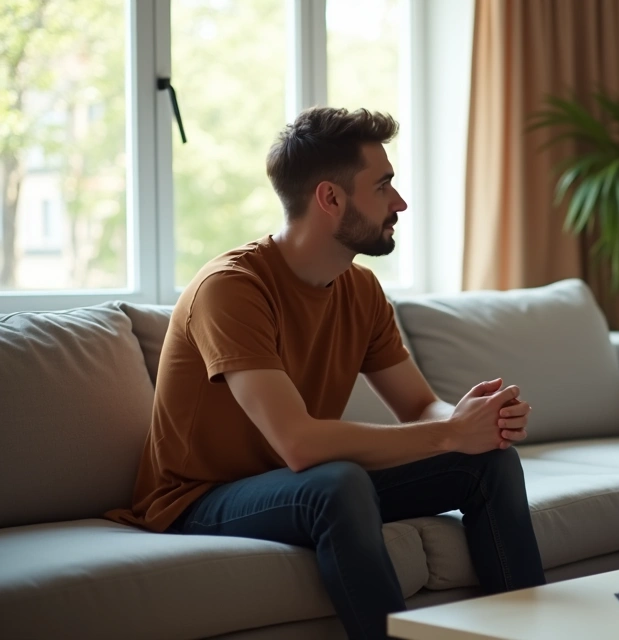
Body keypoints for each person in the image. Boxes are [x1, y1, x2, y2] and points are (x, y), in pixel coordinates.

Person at [106, 107, 545, 640]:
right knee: (336, 482)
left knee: (489, 464)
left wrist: (470, 423)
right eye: (383, 186)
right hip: (198, 498)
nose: (400, 202)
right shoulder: (232, 288)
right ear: (330, 198)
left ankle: (530, 631)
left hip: (295, 484)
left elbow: (417, 407)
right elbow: (300, 444)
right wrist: (449, 433)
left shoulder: (360, 291)